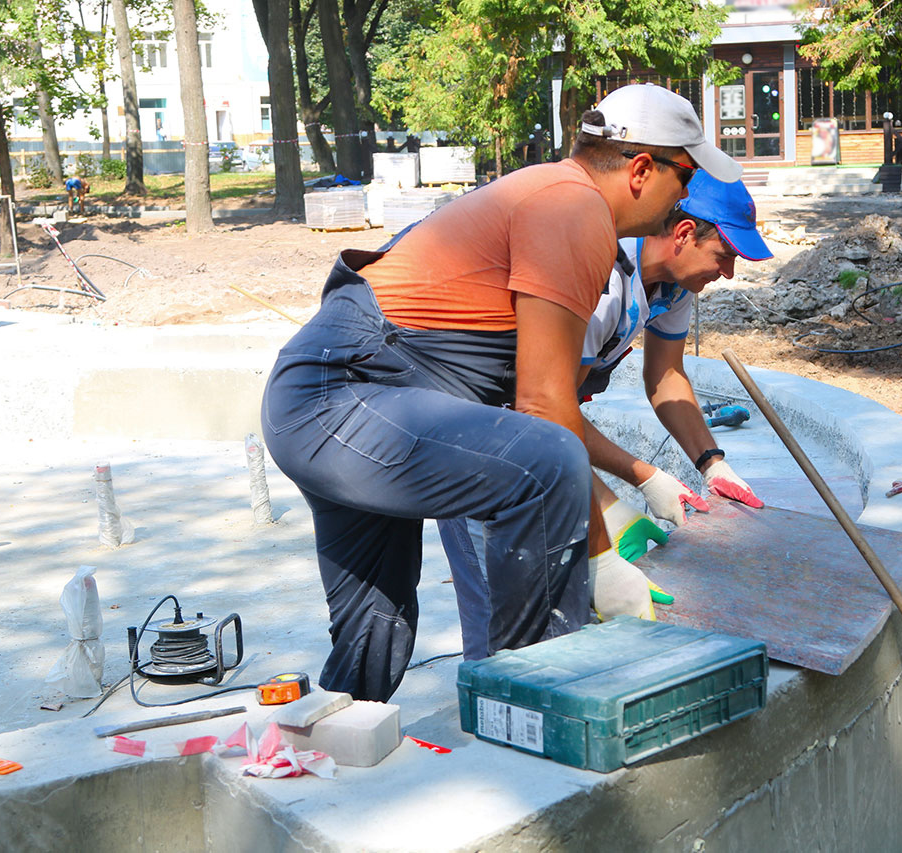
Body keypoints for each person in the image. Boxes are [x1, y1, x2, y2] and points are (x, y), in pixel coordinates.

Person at [261, 84, 741, 703]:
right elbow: (543, 406)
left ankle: (316, 747)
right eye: (687, 176)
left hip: (334, 398)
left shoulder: (554, 196)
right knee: (545, 464)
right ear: (642, 169)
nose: (687, 195)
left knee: (377, 627)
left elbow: (524, 391)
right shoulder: (574, 209)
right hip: (347, 393)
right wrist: (599, 557)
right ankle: (531, 708)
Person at [439, 171, 773, 657]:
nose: (728, 275)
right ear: (683, 235)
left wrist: (711, 462)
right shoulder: (600, 282)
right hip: (479, 438)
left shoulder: (674, 286)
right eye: (724, 257)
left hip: (536, 438)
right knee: (500, 627)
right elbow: (549, 410)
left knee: (557, 610)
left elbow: (665, 375)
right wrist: (641, 479)